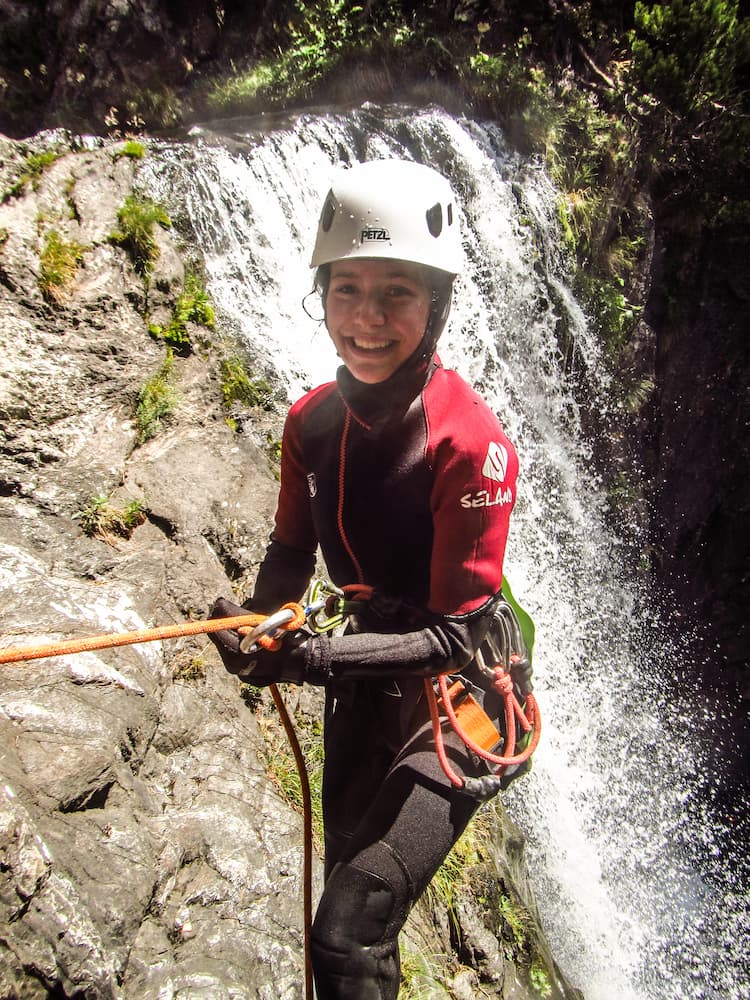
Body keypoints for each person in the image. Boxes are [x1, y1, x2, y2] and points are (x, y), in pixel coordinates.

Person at [209, 158, 525, 1000]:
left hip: (465, 699)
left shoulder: (471, 444)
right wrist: (259, 621)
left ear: (437, 304)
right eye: (346, 289)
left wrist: (308, 661)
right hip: (368, 675)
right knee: (345, 879)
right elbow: (288, 558)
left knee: (350, 932)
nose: (368, 319)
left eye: (398, 293)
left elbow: (453, 635)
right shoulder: (311, 421)